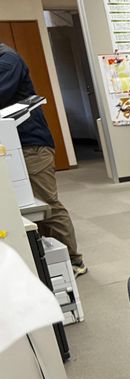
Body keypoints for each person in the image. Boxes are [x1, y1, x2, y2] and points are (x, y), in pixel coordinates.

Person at [0, 43, 86, 276]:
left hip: (31, 146)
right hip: (11, 145)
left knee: (46, 204)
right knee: (23, 206)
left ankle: (73, 261)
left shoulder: (7, 61)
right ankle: (42, 259)